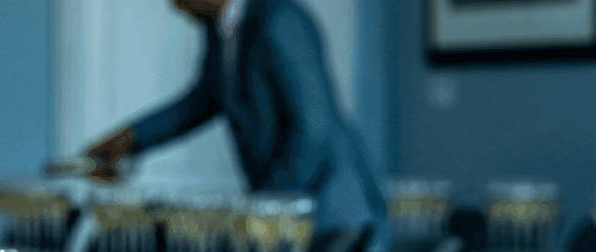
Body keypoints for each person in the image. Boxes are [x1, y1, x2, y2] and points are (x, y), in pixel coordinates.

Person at [85, 0, 385, 232]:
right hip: (287, 217)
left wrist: (269, 203)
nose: (173, 6)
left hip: (329, 211)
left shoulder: (280, 19)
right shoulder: (221, 29)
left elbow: (316, 128)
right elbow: (201, 101)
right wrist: (129, 139)